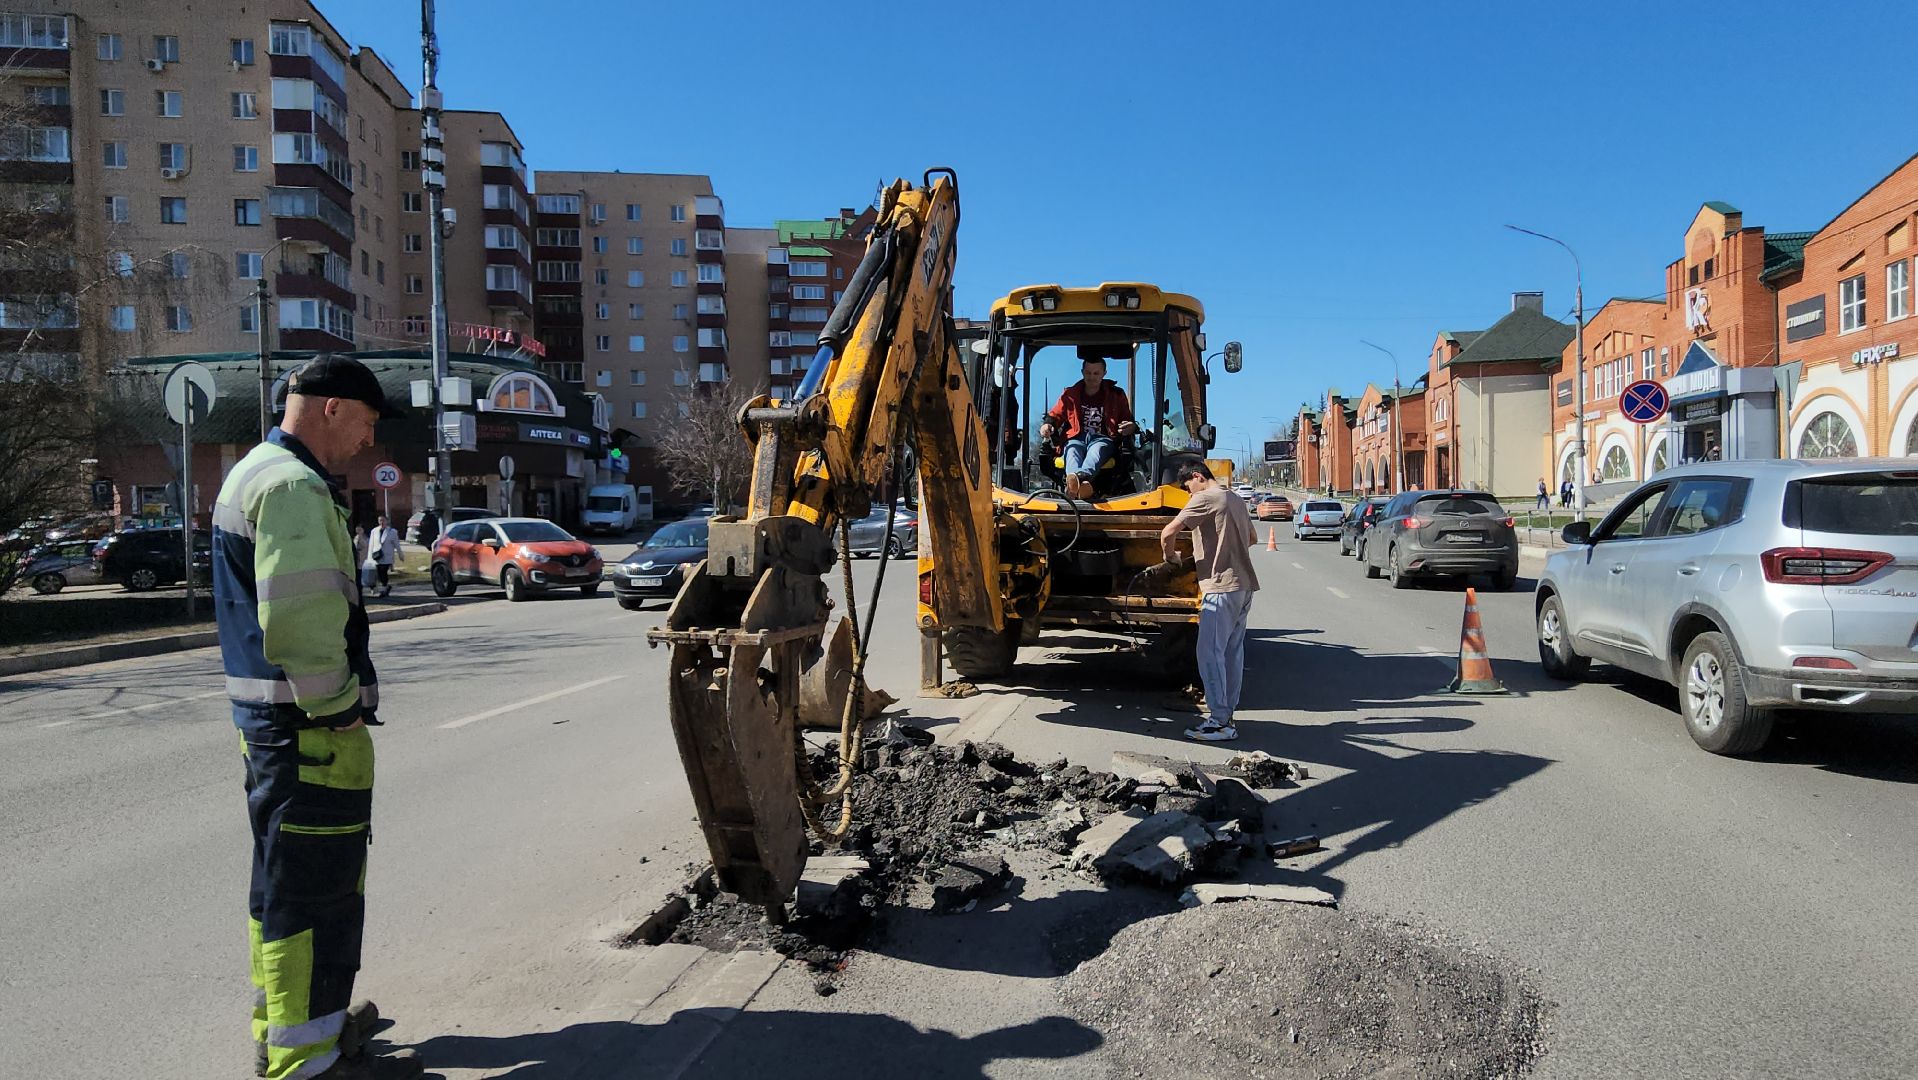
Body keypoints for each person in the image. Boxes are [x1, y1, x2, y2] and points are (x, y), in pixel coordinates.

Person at [211, 355, 422, 1080]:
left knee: (278, 888)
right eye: (366, 423)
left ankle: (289, 1031)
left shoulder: (255, 471)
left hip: (269, 727)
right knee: (318, 898)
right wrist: (337, 714)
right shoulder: (296, 487)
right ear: (331, 408)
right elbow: (301, 622)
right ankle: (309, 1062)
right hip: (309, 734)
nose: (368, 441)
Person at [1159, 462, 1260, 742]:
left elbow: (1168, 533)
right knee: (1231, 653)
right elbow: (1252, 537)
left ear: (1197, 477)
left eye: (1188, 488)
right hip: (1243, 586)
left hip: (1220, 588)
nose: (1189, 495)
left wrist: (1171, 558)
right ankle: (1227, 715)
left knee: (1208, 654)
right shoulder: (1236, 499)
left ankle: (1218, 723)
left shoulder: (1206, 498)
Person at [1040, 355, 1137, 501]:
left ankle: (1076, 482)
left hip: (1102, 438)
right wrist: (1048, 425)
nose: (1091, 377)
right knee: (1072, 451)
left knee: (1096, 451)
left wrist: (1131, 427)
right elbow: (1055, 415)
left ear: (1104, 373)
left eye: (1096, 373)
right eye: (1088, 373)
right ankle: (1082, 485)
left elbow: (1127, 420)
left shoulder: (1116, 394)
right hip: (1076, 437)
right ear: (1082, 372)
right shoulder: (1070, 394)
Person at [371, 515, 401, 598]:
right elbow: (371, 544)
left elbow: (397, 544)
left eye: (383, 520)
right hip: (377, 555)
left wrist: (400, 554)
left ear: (387, 521)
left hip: (387, 556)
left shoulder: (392, 531)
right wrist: (369, 556)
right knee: (379, 572)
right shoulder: (374, 531)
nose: (381, 522)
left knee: (383, 571)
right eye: (380, 520)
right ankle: (386, 587)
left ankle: (384, 588)